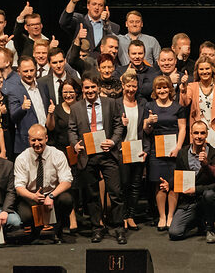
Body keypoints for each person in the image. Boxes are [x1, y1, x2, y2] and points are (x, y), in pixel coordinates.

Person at [70, 74, 127, 244]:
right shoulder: (76, 108)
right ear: (82, 89)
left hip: (108, 153)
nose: (90, 91)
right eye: (86, 88)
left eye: (93, 87)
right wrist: (75, 144)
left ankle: (119, 228)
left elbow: (118, 125)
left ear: (98, 88)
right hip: (88, 155)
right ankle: (97, 228)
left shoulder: (111, 103)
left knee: (115, 193)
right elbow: (72, 130)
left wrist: (113, 140)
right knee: (92, 195)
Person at [12, 124, 77, 244]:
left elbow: (67, 181)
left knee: (66, 199)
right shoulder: (22, 158)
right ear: (29, 140)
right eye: (33, 140)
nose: (37, 143)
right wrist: (33, 196)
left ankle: (58, 231)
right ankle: (34, 232)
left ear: (46, 138)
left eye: (40, 139)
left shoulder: (57, 154)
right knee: (25, 215)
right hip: (31, 195)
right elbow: (19, 186)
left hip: (53, 194)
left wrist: (51, 196)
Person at [165, 120, 215, 242]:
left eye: (202, 133)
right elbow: (179, 174)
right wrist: (169, 184)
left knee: (209, 194)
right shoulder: (183, 153)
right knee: (174, 233)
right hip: (188, 202)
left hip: (206, 199)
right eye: (196, 133)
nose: (199, 136)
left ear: (207, 134)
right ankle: (197, 220)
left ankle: (209, 228)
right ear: (191, 134)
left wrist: (197, 189)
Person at [146, 74, 185, 231]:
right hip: (157, 149)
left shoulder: (178, 107)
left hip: (173, 149)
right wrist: (149, 123)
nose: (162, 90)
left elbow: (183, 128)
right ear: (155, 90)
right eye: (159, 88)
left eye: (165, 87)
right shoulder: (150, 106)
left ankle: (171, 216)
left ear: (170, 89)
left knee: (173, 183)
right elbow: (145, 130)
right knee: (159, 183)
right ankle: (162, 216)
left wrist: (178, 148)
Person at [115, 71, 148, 230]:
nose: (131, 89)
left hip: (138, 148)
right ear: (122, 86)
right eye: (128, 86)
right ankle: (122, 216)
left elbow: (147, 131)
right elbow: (111, 128)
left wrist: (146, 149)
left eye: (134, 86)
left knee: (136, 185)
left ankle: (131, 215)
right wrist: (121, 123)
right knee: (123, 185)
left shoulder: (142, 103)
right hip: (122, 149)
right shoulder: (116, 104)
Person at [6, 58, 54, 156]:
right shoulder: (14, 91)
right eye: (25, 71)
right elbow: (13, 117)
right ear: (19, 72)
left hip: (46, 140)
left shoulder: (42, 85)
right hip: (27, 143)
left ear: (36, 69)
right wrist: (22, 108)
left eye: (31, 70)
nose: (29, 74)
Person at [183, 57, 215, 148]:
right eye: (201, 69)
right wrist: (183, 89)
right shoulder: (192, 86)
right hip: (199, 134)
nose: (204, 72)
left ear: (212, 69)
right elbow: (184, 102)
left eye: (207, 68)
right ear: (197, 71)